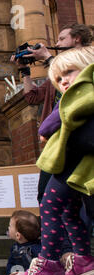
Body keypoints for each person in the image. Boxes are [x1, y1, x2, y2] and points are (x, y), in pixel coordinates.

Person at [13, 46, 94, 275]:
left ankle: (49, 261)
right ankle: (82, 259)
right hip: (75, 164)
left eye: (69, 72)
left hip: (75, 162)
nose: (64, 81)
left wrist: (50, 125)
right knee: (67, 210)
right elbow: (33, 99)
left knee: (50, 204)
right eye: (59, 78)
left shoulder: (84, 92)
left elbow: (52, 122)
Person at [11, 23, 93, 203]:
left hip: (82, 139)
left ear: (77, 39)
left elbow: (78, 87)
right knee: (46, 195)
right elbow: (32, 97)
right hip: (58, 143)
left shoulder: (88, 61)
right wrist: (25, 70)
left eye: (62, 39)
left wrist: (48, 57)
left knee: (80, 199)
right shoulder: (56, 71)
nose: (57, 42)